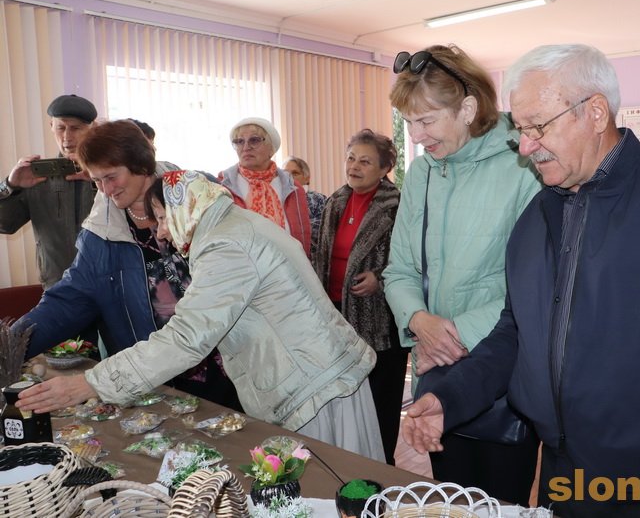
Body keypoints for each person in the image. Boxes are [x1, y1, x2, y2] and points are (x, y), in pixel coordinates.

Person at [401, 44, 640, 518]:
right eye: (520, 130)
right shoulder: (538, 217)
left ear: (596, 112)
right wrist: (451, 398)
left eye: (538, 127)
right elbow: (515, 334)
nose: (526, 146)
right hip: (564, 473)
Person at [17, 170, 385, 462]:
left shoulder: (225, 245)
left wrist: (91, 384)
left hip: (315, 389)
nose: (162, 231)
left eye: (163, 217)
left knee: (335, 490)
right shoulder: (230, 227)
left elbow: (186, 338)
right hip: (319, 376)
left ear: (188, 205)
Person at [382, 45, 542, 505]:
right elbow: (399, 270)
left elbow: (534, 283)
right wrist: (419, 321)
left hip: (500, 367)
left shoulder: (525, 165)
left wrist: (451, 337)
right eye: (409, 122)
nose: (416, 137)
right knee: (451, 502)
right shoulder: (422, 174)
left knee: (500, 504)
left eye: (426, 121)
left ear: (468, 109)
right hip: (436, 370)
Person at [13, 119, 242, 411]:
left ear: (141, 165)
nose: (106, 190)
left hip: (229, 368)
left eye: (111, 177)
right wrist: (10, 344)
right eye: (96, 180)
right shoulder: (100, 235)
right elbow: (67, 301)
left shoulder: (199, 203)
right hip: (154, 380)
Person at [314, 129, 406, 465]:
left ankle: (382, 469)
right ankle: (348, 464)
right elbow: (319, 256)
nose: (354, 166)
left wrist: (379, 279)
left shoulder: (398, 205)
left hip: (380, 322)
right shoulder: (335, 201)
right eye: (351, 158)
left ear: (384, 169)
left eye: (365, 161)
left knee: (380, 404)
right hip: (337, 318)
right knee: (346, 401)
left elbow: (414, 259)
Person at [0, 94, 97, 288]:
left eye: (75, 128)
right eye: (61, 128)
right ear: (51, 126)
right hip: (57, 288)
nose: (67, 137)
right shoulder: (36, 178)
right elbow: (5, 225)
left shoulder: (109, 176)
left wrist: (98, 178)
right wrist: (10, 185)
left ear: (91, 129)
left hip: (107, 287)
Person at [219, 117, 311, 257]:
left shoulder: (294, 188)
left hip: (287, 263)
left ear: (271, 149)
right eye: (239, 141)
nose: (246, 147)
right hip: (239, 264)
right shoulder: (222, 185)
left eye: (254, 140)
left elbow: (303, 237)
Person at [284, 155, 327, 259]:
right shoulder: (275, 200)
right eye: (285, 173)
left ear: (307, 179)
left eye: (295, 173)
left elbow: (322, 230)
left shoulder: (318, 199)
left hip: (310, 259)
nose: (289, 177)